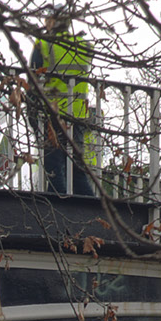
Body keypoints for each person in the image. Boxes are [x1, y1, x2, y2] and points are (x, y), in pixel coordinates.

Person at [33, 21, 96, 197]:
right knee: (76, 169)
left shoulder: (44, 44)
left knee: (54, 167)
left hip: (53, 115)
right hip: (78, 116)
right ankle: (91, 207)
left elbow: (33, 78)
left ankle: (58, 205)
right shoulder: (85, 46)